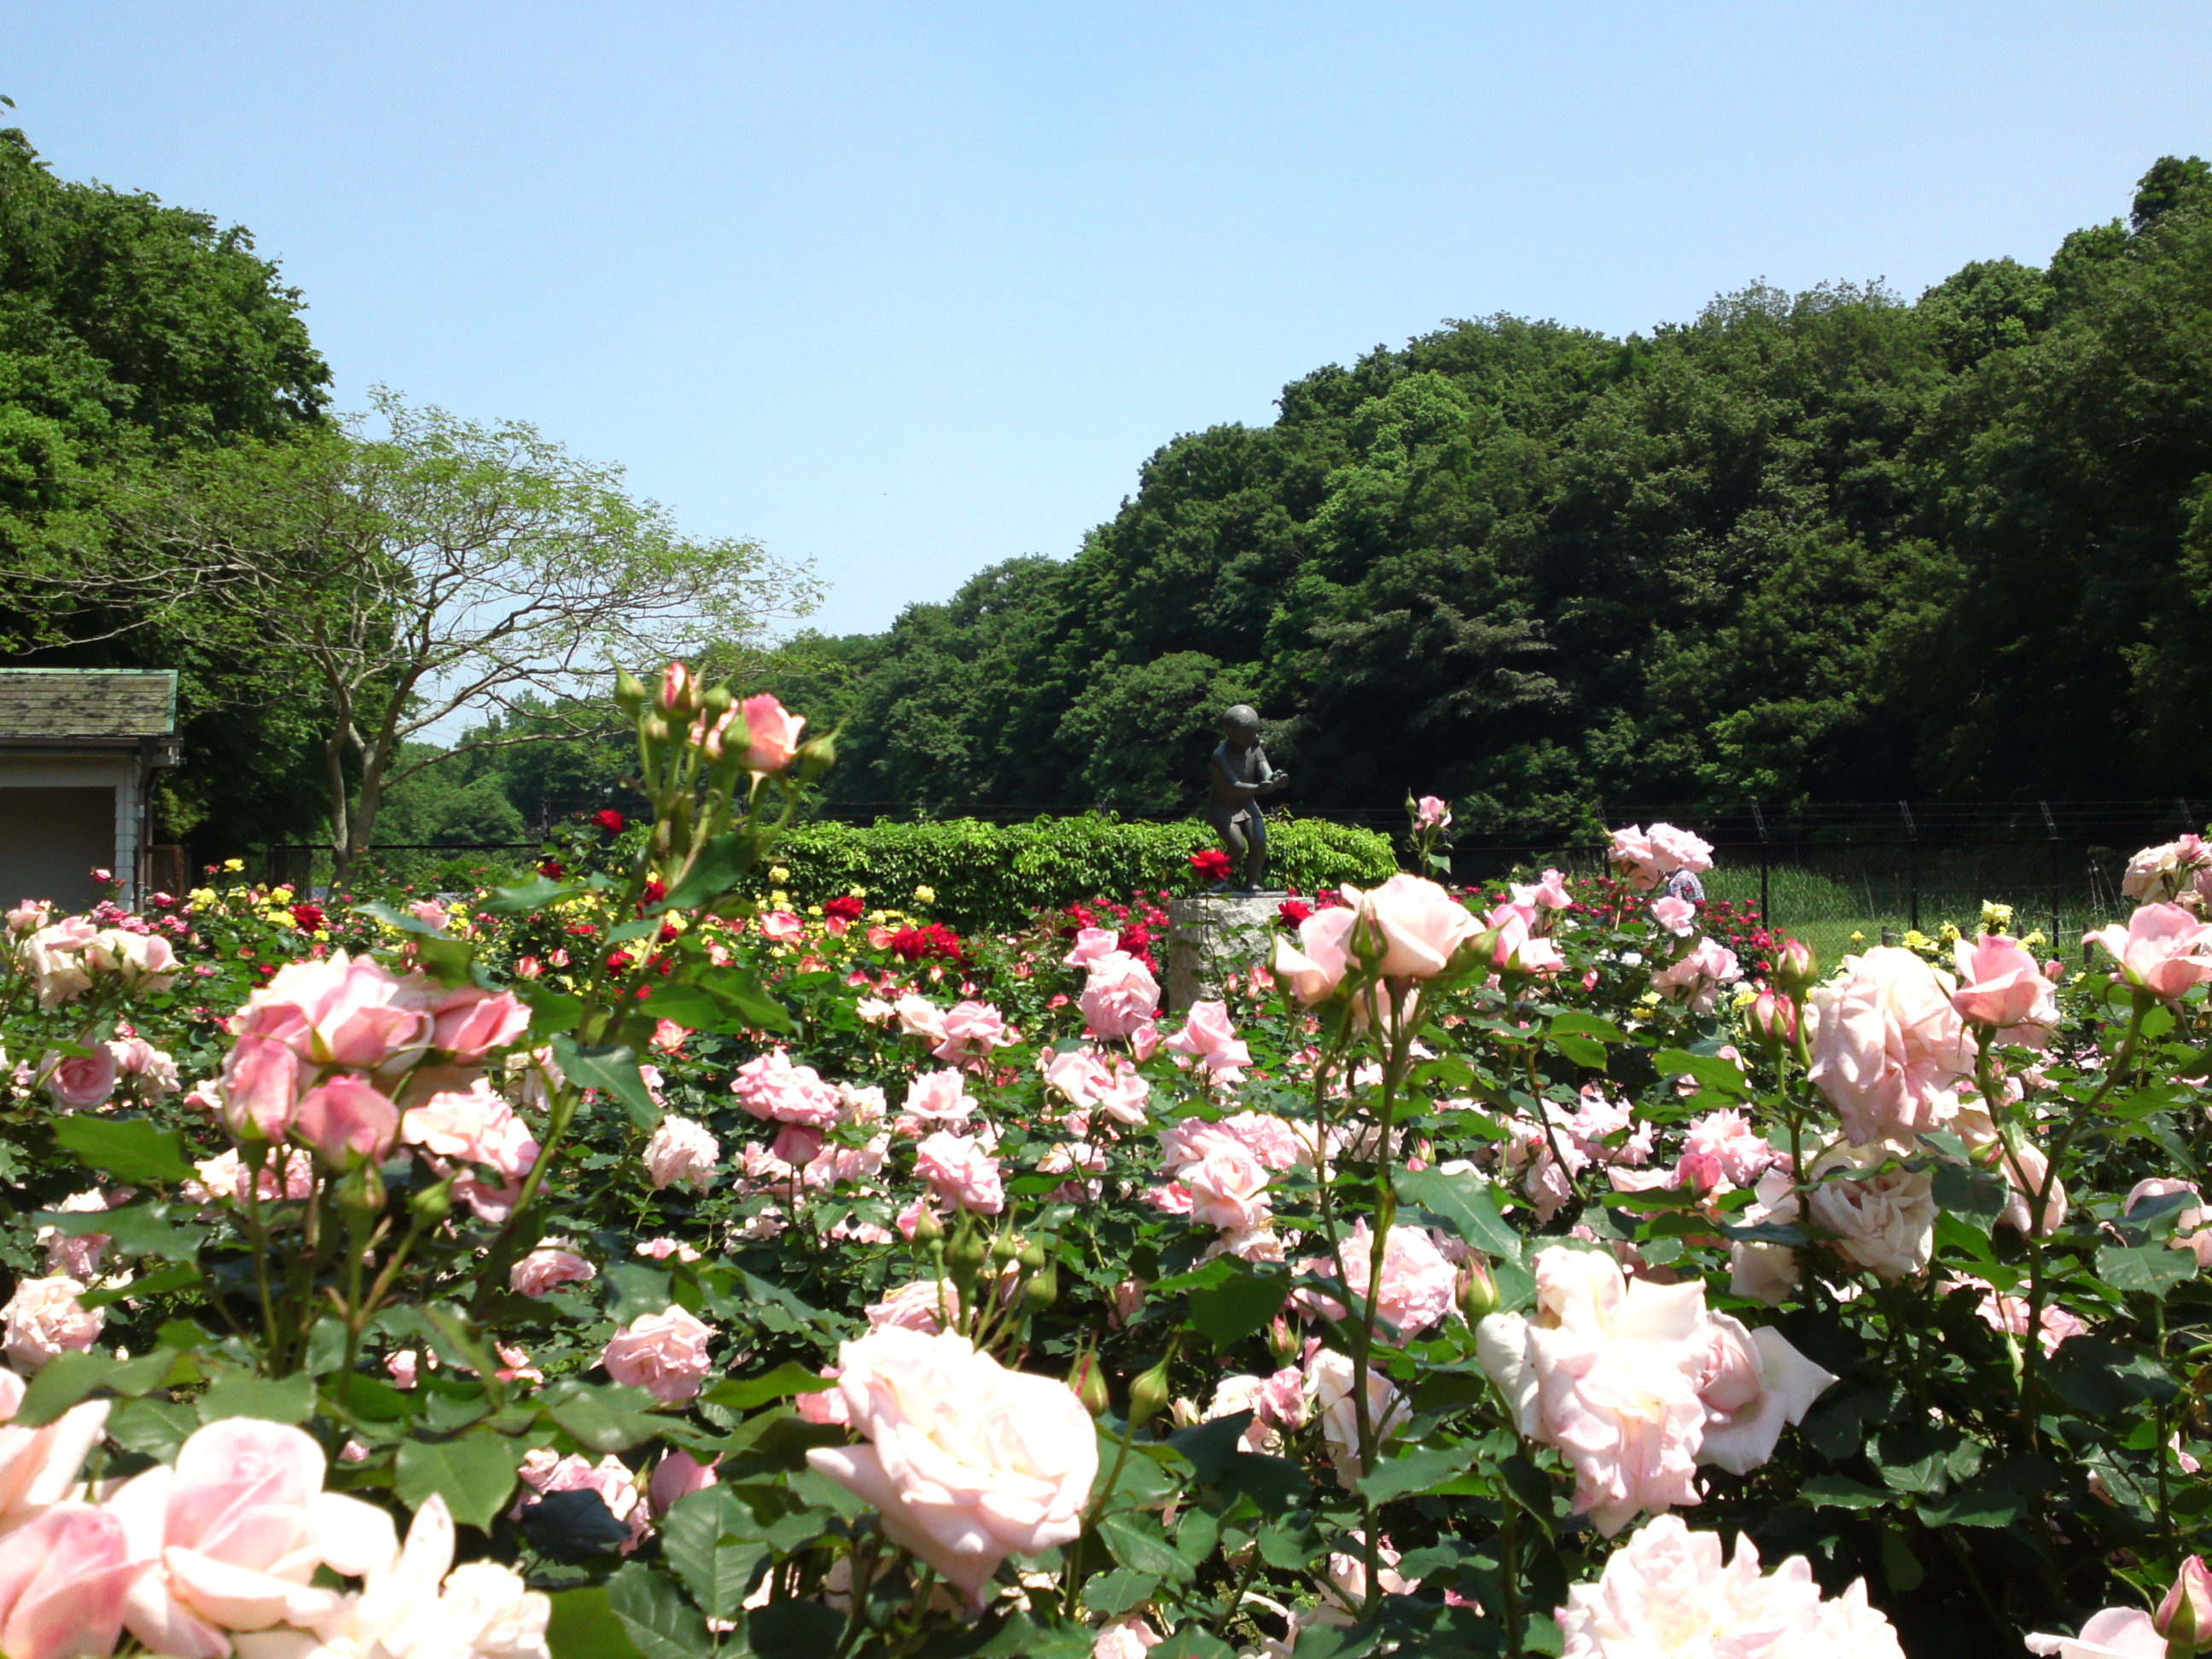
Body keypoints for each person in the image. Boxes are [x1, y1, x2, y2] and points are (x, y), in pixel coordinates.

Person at [1206, 705, 1289, 893]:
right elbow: (1235, 785)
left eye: (1253, 734)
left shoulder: (1254, 747)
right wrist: (1260, 789)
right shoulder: (1220, 755)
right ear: (1229, 732)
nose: (1250, 739)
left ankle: (1252, 882)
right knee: (1237, 846)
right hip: (1223, 808)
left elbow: (1264, 768)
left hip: (1247, 804)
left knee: (1259, 842)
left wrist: (1275, 780)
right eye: (1245, 735)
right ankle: (1219, 881)